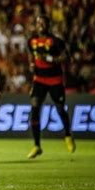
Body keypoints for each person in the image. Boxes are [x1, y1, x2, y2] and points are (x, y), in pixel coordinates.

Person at [27, 15, 76, 158]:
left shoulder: (56, 41)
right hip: (39, 79)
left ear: (48, 25)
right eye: (38, 22)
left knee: (60, 108)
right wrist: (32, 65)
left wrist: (49, 59)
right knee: (35, 107)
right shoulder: (32, 41)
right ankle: (37, 145)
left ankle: (67, 135)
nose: (40, 24)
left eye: (43, 22)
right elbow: (31, 55)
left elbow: (66, 57)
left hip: (55, 79)